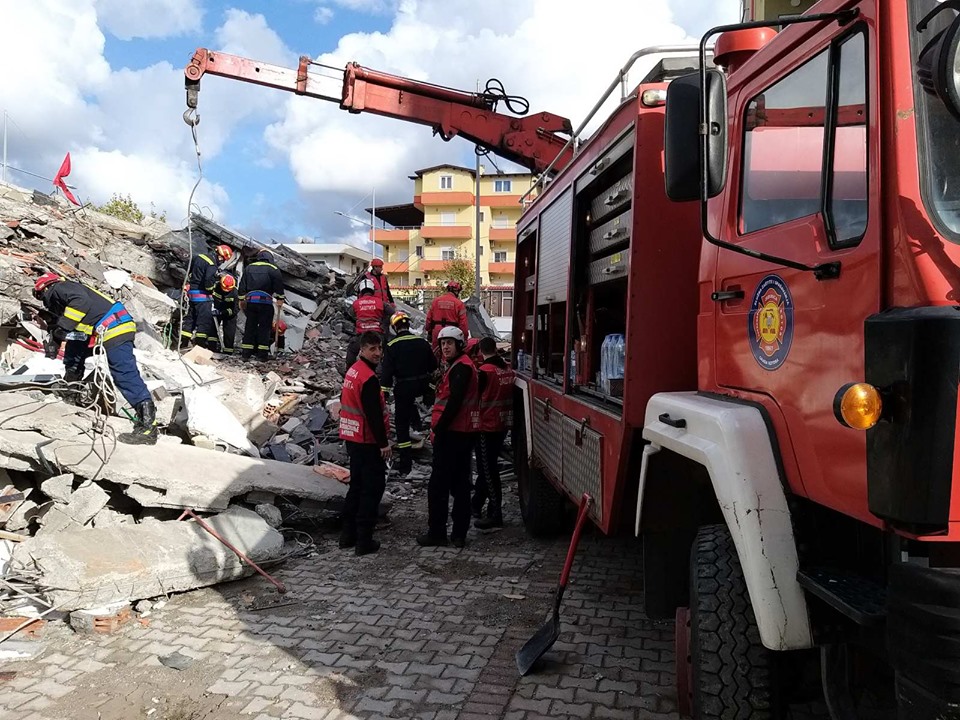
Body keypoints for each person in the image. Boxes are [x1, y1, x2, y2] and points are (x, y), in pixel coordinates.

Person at [33, 273, 159, 445]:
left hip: (115, 327)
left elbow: (80, 302)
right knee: (74, 353)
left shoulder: (58, 289)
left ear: (43, 290)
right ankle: (70, 392)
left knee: (123, 374)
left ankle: (148, 426)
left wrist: (64, 326)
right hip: (105, 328)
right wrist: (56, 338)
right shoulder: (68, 292)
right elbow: (77, 335)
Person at [417, 326, 480, 549]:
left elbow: (453, 403)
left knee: (439, 487)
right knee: (460, 485)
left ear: (459, 345)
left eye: (449, 343)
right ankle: (459, 534)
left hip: (452, 435)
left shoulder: (460, 368)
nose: (445, 347)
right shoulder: (458, 366)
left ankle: (438, 533)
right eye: (443, 343)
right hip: (462, 434)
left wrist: (438, 430)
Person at [339, 331, 392, 556]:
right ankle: (364, 541)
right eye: (373, 349)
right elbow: (373, 416)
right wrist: (383, 444)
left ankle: (347, 536)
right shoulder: (368, 379)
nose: (378, 353)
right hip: (367, 441)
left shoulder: (353, 371)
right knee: (371, 491)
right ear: (362, 349)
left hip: (353, 438)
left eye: (379, 348)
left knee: (356, 488)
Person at [379, 311, 436, 476]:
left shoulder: (391, 346)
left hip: (403, 388)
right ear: (408, 324)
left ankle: (405, 464)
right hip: (423, 386)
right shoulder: (422, 342)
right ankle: (419, 428)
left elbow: (387, 374)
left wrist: (385, 394)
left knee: (401, 425)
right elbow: (433, 367)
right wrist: (430, 389)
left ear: (395, 327)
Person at [472, 336, 514, 528]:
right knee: (487, 469)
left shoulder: (483, 372)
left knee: (488, 471)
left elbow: (473, 399)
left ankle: (495, 513)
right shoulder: (506, 369)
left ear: (480, 352)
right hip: (502, 424)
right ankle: (476, 504)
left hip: (486, 426)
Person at [182, 244, 233, 350]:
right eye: (223, 260)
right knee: (204, 322)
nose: (222, 262)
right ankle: (199, 346)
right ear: (220, 256)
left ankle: (183, 343)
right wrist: (213, 287)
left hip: (192, 294)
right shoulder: (212, 264)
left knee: (190, 320)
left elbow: (188, 269)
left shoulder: (198, 257)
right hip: (203, 297)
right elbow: (208, 283)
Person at [239, 248, 285, 361]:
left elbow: (242, 285)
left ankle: (246, 354)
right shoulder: (273, 269)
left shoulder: (249, 268)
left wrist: (241, 299)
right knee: (264, 329)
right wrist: (280, 298)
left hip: (251, 302)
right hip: (265, 303)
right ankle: (262, 355)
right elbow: (279, 286)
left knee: (250, 327)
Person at [345, 279, 386, 369]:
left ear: (361, 291)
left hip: (362, 336)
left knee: (352, 350)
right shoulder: (380, 302)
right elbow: (391, 312)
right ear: (372, 291)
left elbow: (351, 314)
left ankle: (350, 371)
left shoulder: (356, 303)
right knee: (385, 353)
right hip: (378, 334)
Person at [425, 280, 469, 355]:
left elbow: (429, 319)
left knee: (436, 355)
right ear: (456, 291)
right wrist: (464, 338)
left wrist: (429, 331)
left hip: (437, 331)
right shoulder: (459, 304)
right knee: (451, 355)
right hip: (452, 333)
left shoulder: (436, 301)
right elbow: (463, 324)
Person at [211, 273, 238, 354]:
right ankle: (211, 347)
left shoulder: (235, 293)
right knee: (212, 329)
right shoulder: (216, 287)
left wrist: (223, 312)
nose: (225, 290)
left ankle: (228, 351)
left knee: (229, 331)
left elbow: (235, 309)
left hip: (229, 313)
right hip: (216, 309)